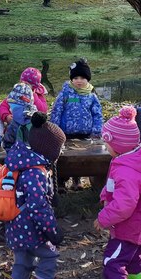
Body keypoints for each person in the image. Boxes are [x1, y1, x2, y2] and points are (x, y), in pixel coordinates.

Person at [89, 106, 141, 279]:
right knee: (134, 256)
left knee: (113, 259)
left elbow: (124, 205)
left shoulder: (126, 171)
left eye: (107, 143)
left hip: (129, 226)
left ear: (116, 145)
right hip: (137, 225)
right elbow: (114, 187)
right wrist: (105, 196)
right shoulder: (128, 161)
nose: (106, 147)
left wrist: (103, 218)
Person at [5, 114, 67, 279]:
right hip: (31, 227)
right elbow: (38, 206)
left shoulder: (22, 161)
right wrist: (52, 229)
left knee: (23, 259)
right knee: (49, 255)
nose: (62, 151)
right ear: (49, 149)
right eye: (60, 147)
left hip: (15, 224)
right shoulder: (35, 172)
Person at [50, 58, 103, 189]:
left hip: (84, 132)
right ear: (72, 79)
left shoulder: (91, 96)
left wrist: (97, 130)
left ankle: (77, 180)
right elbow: (57, 111)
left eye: (83, 78)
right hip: (65, 133)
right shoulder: (65, 94)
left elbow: (97, 114)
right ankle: (61, 182)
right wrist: (54, 128)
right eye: (76, 78)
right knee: (63, 157)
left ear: (88, 79)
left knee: (80, 157)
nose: (79, 80)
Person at [2, 82, 37, 149]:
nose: (10, 108)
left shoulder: (14, 122)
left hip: (16, 155)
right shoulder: (36, 119)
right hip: (33, 156)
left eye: (11, 106)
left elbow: (7, 141)